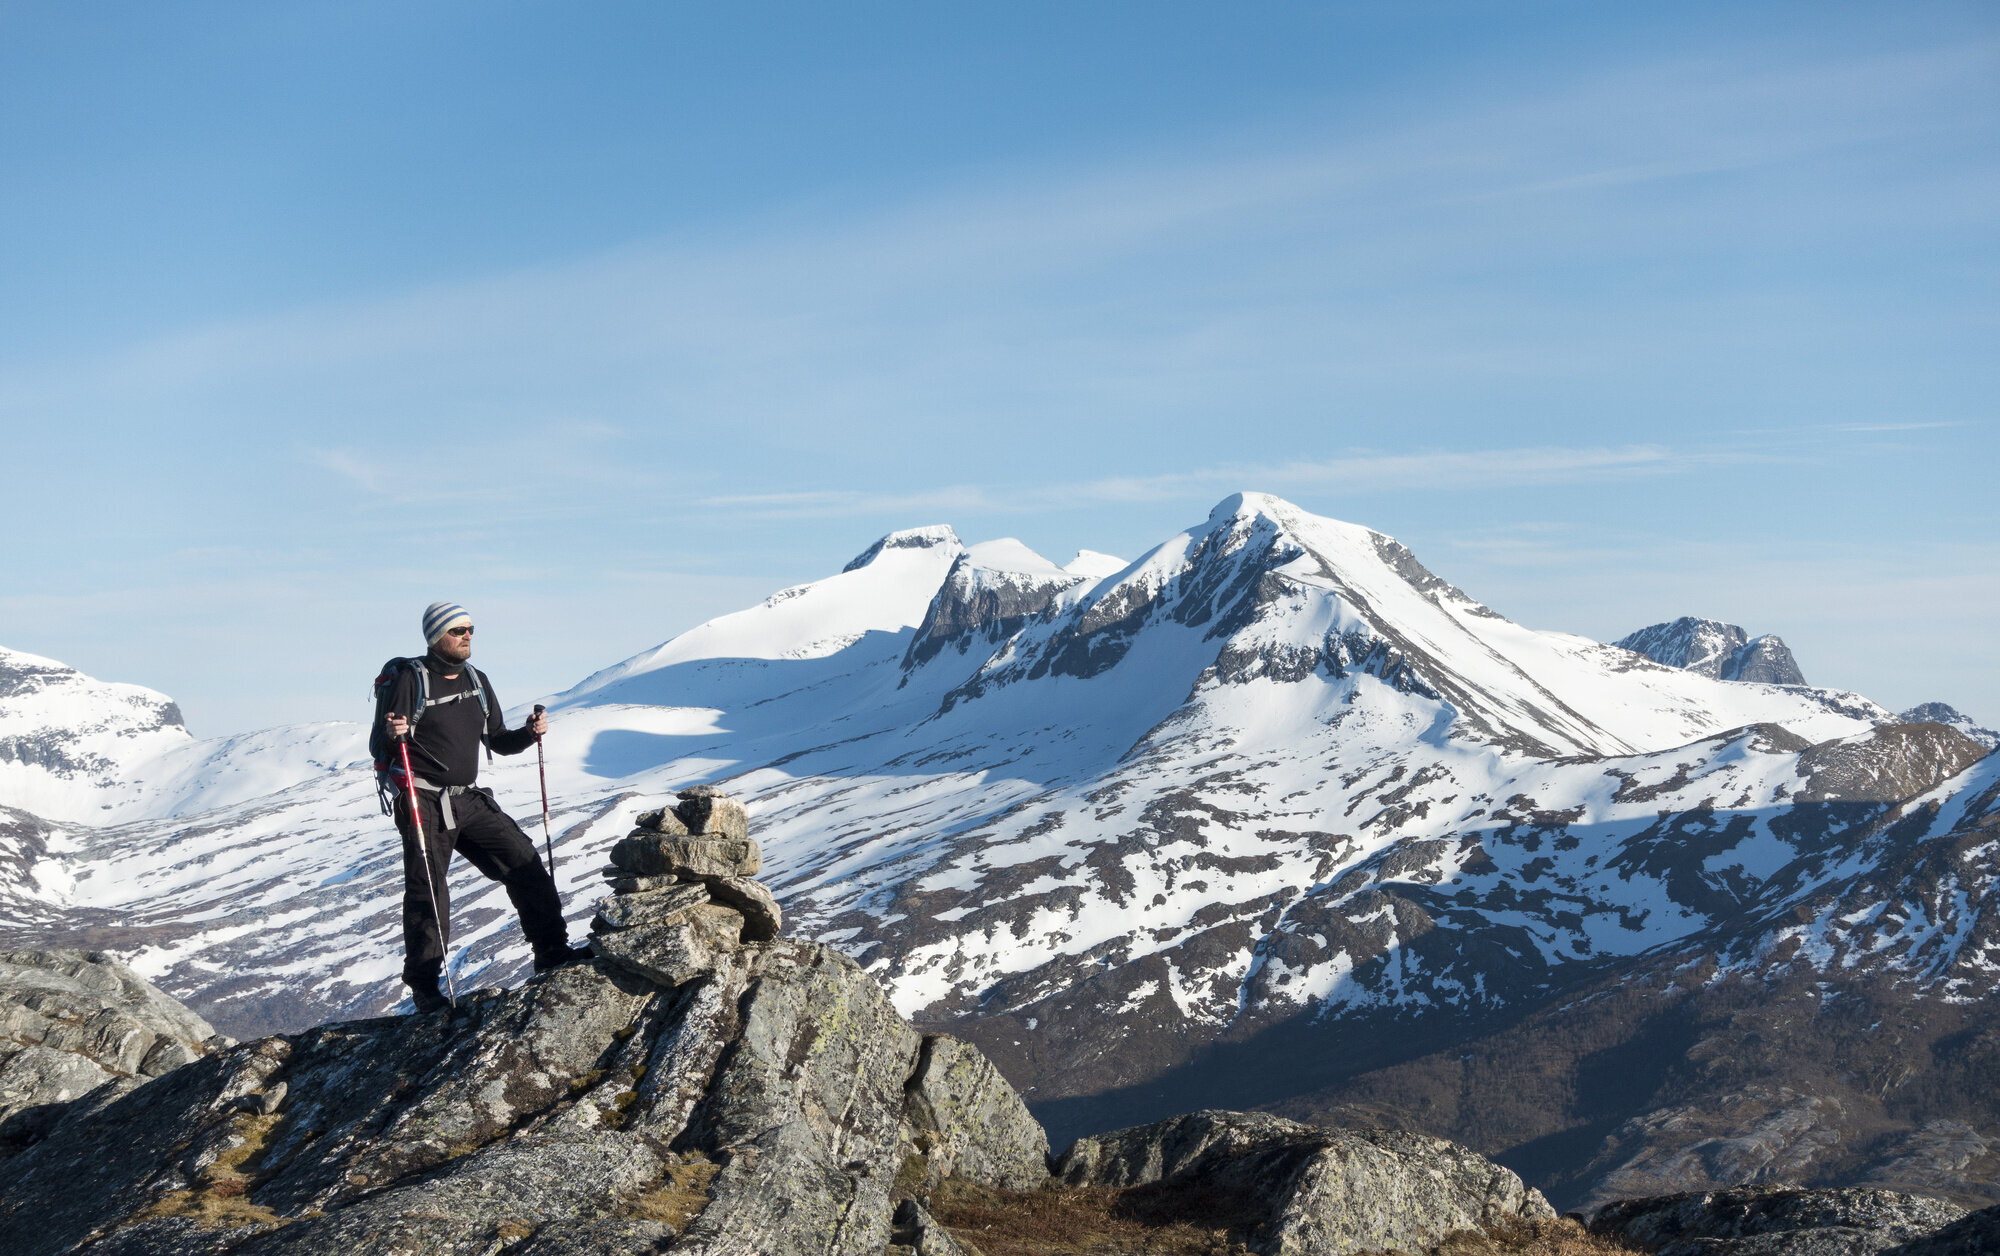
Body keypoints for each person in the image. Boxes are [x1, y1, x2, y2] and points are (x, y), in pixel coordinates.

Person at [381, 601, 588, 1013]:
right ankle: (424, 988)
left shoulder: (477, 680)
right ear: (436, 635)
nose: (467, 636)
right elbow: (382, 744)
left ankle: (551, 952)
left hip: (468, 797)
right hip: (422, 799)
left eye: (470, 629)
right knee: (429, 892)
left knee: (524, 862)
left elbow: (497, 740)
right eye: (458, 630)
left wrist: (529, 734)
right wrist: (393, 733)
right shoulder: (410, 679)